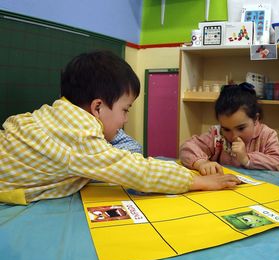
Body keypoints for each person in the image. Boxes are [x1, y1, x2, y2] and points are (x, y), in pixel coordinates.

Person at [0, 51, 240, 205]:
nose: (125, 120)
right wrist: (194, 181)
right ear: (97, 108)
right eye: (125, 110)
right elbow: (135, 171)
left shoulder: (61, 114)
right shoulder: (77, 131)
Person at [179, 82, 279, 175]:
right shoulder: (217, 134)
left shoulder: (267, 135)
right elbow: (188, 147)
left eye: (241, 128)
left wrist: (246, 159)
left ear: (255, 119)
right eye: (226, 129)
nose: (234, 136)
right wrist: (201, 163)